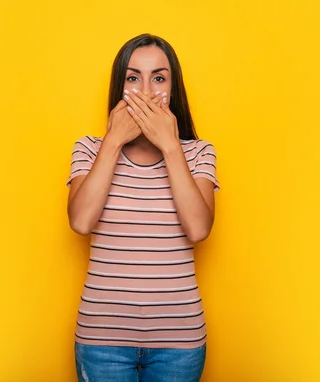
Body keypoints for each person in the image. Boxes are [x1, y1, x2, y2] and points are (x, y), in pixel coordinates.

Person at [66, 33, 220, 382]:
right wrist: (113, 140)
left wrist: (169, 145)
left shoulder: (198, 153)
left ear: (173, 87)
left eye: (159, 78)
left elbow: (198, 229)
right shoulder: (89, 149)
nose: (146, 91)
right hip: (100, 341)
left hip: (179, 345)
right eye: (133, 78)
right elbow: (80, 221)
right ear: (119, 87)